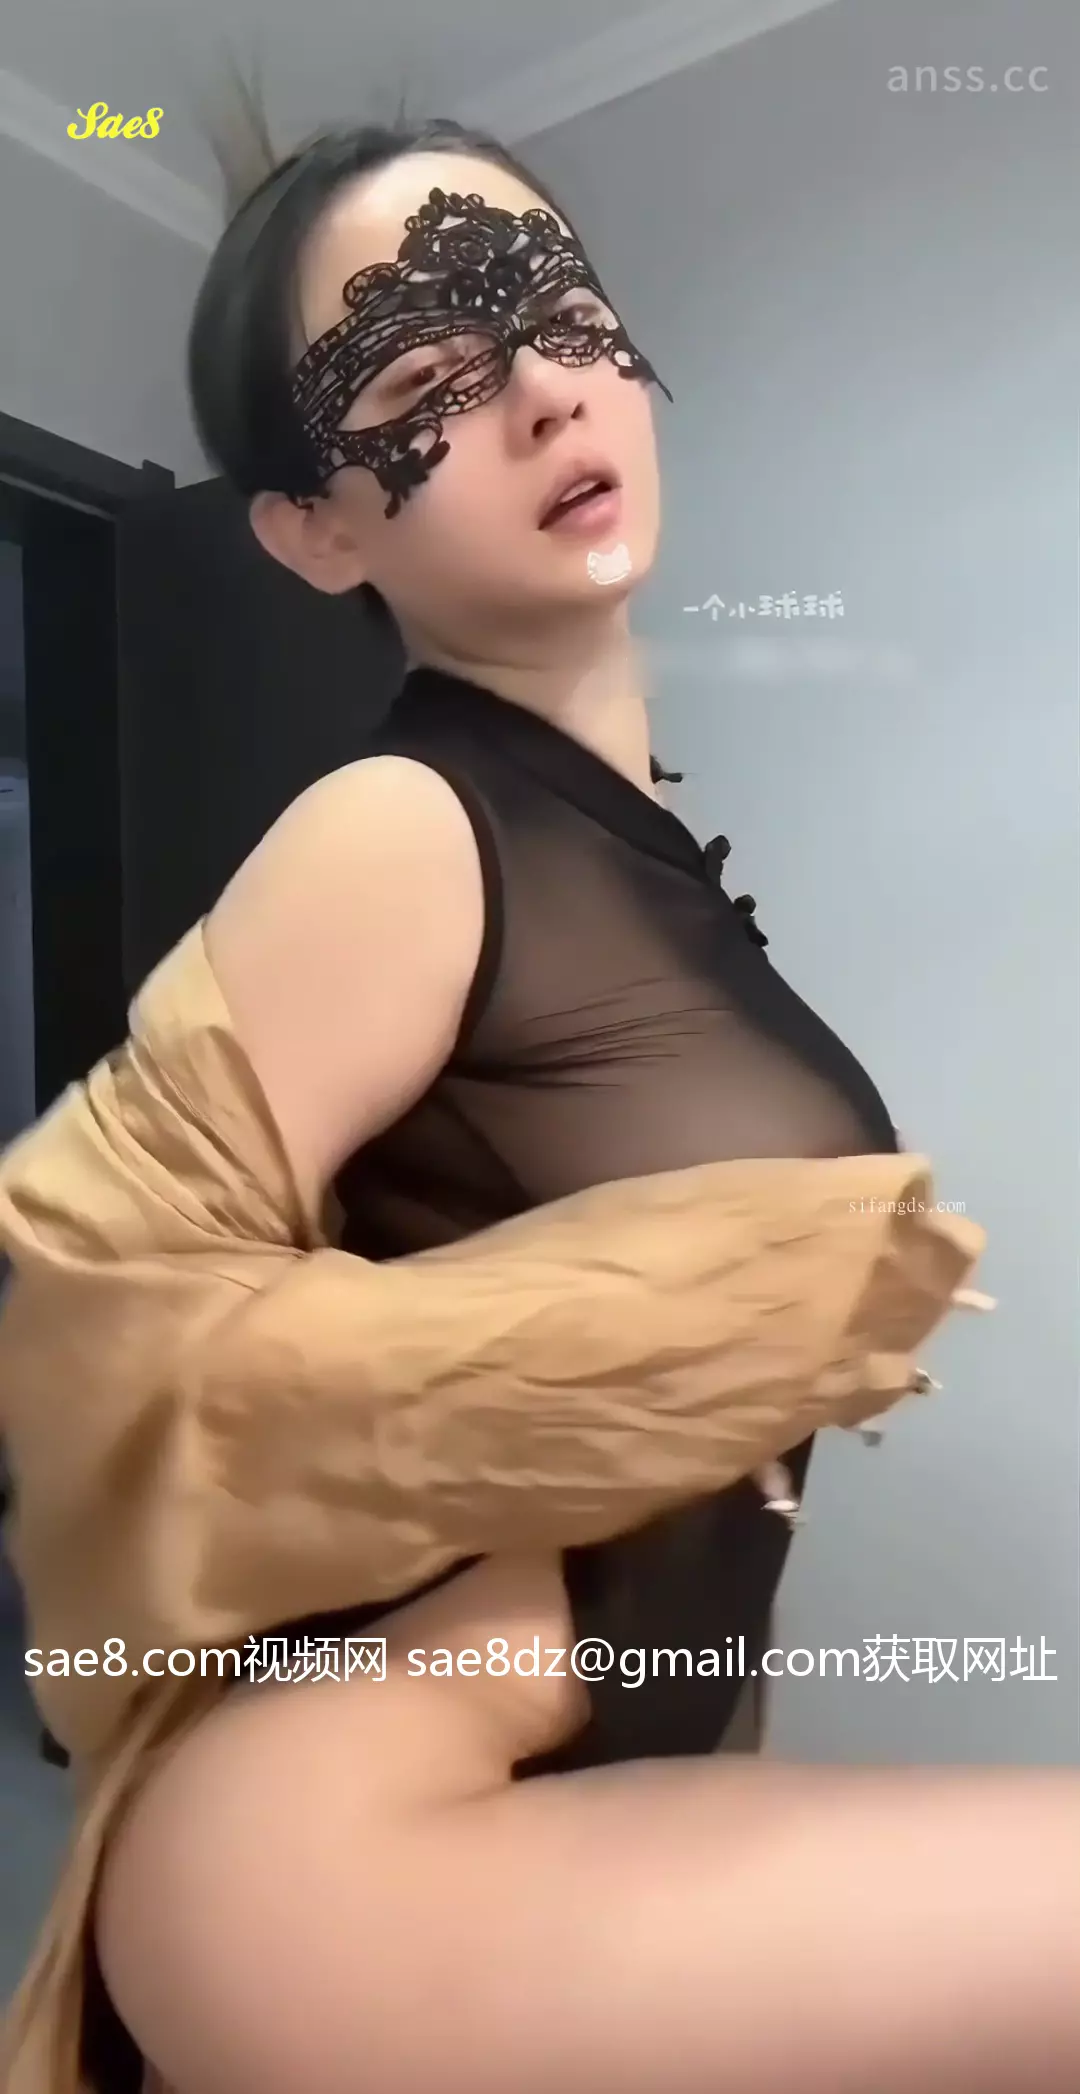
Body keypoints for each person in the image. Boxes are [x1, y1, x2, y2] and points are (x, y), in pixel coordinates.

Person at [1, 115, 1077, 2094]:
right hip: (330, 1852)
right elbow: (83, 1303)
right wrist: (580, 1371)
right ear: (315, 532)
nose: (539, 394)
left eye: (555, 310)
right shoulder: (400, 827)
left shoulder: (647, 865)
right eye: (422, 379)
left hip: (566, 1803)